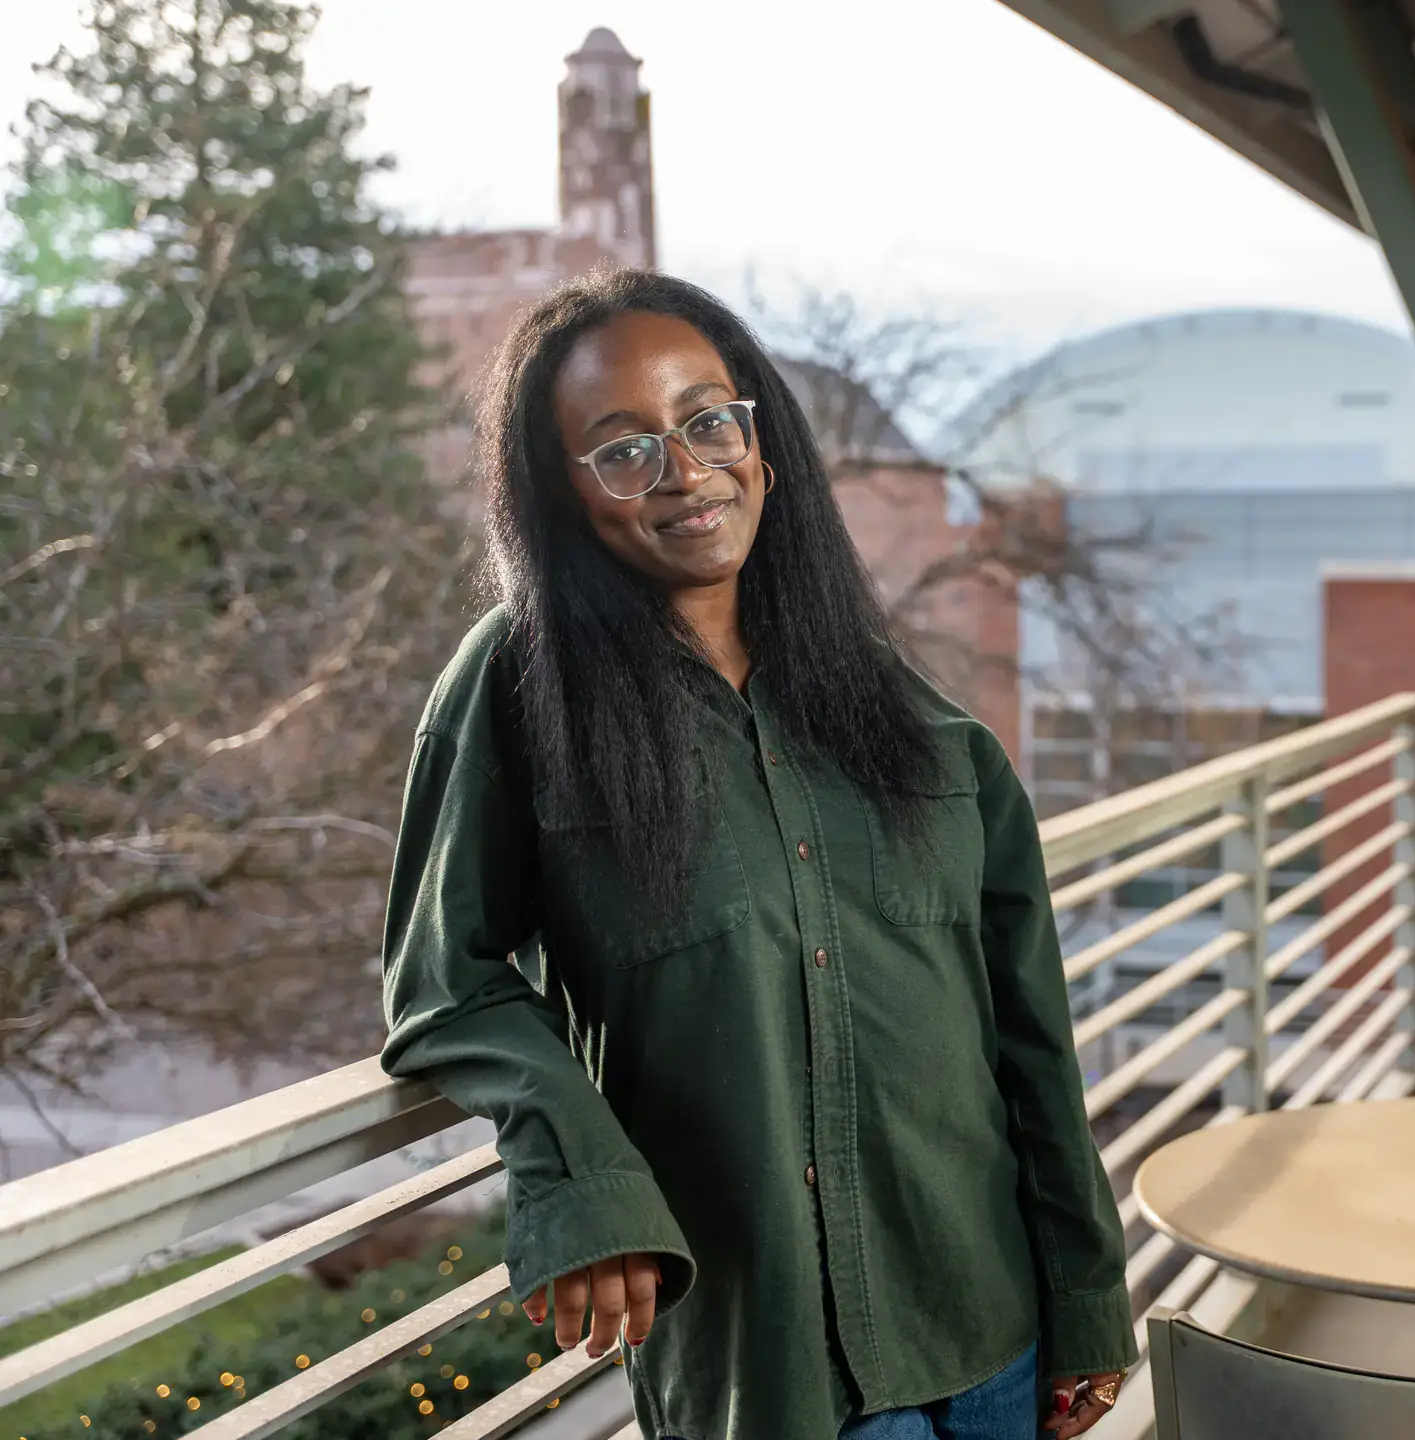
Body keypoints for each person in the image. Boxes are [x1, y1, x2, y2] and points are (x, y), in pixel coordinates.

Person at [380, 268, 1135, 1440]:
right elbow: (445, 985)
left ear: (762, 446)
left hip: (992, 1321)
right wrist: (581, 1173)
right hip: (773, 1361)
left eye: (707, 421)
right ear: (562, 493)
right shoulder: (521, 688)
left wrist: (1088, 1296)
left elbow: (1028, 1039)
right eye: (622, 448)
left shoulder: (907, 715)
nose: (684, 470)